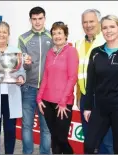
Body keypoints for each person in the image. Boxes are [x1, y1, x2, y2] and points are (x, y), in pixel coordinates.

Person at [84, 15, 118, 154]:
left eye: (112, 27)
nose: (108, 30)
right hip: (100, 107)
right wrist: (87, 107)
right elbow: (91, 82)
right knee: (89, 145)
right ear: (101, 30)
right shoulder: (96, 52)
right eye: (105, 27)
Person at [0, 21, 31, 154]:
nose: (2, 34)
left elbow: (21, 71)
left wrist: (20, 78)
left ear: (8, 34)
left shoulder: (16, 51)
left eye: (4, 32)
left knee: (10, 129)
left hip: (11, 95)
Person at [75, 9, 113, 154]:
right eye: (85, 22)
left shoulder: (107, 41)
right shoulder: (78, 43)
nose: (88, 25)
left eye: (91, 21)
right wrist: (78, 95)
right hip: (86, 98)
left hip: (104, 99)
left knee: (107, 141)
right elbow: (78, 72)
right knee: (89, 139)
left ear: (99, 22)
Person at [36, 21, 79, 154]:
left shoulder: (71, 51)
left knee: (61, 138)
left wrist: (63, 101)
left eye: (59, 33)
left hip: (63, 103)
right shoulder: (50, 53)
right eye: (54, 33)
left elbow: (72, 77)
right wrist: (39, 98)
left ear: (66, 35)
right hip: (47, 101)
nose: (56, 36)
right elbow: (46, 77)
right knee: (54, 137)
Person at [17, 6, 52, 154]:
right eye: (34, 19)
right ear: (30, 20)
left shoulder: (52, 37)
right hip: (28, 88)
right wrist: (26, 64)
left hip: (47, 90)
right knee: (27, 126)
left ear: (44, 18)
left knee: (46, 127)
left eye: (40, 18)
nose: (37, 22)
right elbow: (20, 64)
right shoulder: (23, 38)